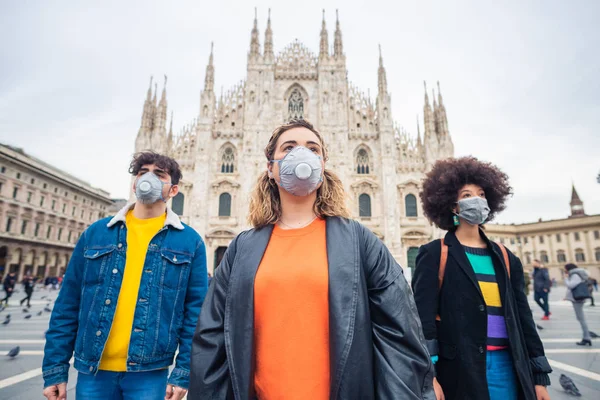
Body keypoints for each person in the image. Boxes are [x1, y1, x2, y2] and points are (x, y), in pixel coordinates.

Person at [189, 119, 434, 400]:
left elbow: (400, 333)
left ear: (323, 167)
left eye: (312, 148)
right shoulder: (242, 248)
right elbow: (212, 336)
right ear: (270, 168)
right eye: (289, 147)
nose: (301, 154)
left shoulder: (359, 242)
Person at [42, 152, 208, 400]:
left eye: (159, 174)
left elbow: (196, 313)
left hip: (149, 371)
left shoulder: (189, 240)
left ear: (173, 190)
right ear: (134, 183)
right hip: (94, 369)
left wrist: (183, 371)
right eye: (143, 173)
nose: (149, 178)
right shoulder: (97, 233)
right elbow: (68, 303)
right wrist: (55, 370)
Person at [412, 157, 551, 400]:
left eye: (482, 194)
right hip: (458, 370)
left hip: (507, 365)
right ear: (453, 205)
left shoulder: (507, 258)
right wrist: (429, 376)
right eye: (466, 195)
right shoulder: (435, 254)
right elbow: (423, 322)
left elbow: (523, 319)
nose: (476, 200)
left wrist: (539, 378)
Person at [564, 263, 592, 346]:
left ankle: (587, 338)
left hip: (577, 299)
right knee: (580, 318)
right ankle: (586, 336)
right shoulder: (576, 274)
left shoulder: (575, 275)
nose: (564, 270)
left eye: (565, 268)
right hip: (577, 299)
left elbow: (571, 285)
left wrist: (565, 279)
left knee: (581, 319)